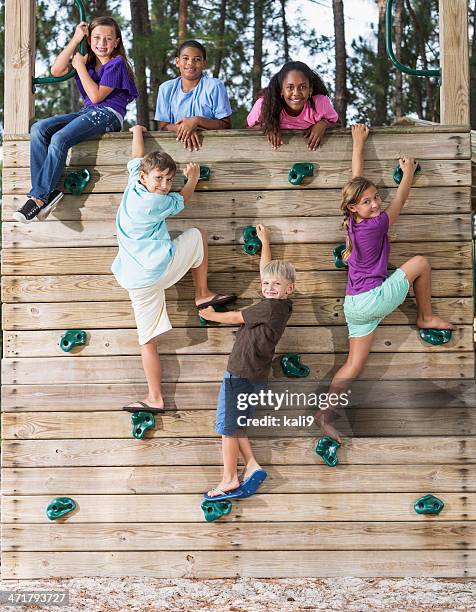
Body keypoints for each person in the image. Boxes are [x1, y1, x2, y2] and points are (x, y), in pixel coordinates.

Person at [319, 124, 456, 442]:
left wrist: (359, 143)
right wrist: (408, 172)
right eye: (368, 201)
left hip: (354, 305)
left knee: (352, 366)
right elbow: (400, 204)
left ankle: (325, 414)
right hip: (372, 298)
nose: (376, 203)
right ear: (355, 208)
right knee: (420, 263)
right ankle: (425, 315)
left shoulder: (352, 222)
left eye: (376, 197)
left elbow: (356, 182)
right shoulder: (375, 226)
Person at [112, 125, 235, 411]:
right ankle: (202, 293)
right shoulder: (155, 202)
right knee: (197, 236)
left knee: (147, 340)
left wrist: (137, 131)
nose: (165, 185)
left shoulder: (134, 183)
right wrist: (190, 179)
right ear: (145, 177)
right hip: (156, 270)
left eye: (170, 179)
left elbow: (136, 156)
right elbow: (184, 199)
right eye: (159, 178)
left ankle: (155, 397)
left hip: (136, 279)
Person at [200, 226, 295, 500]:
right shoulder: (281, 306)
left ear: (289, 289)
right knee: (237, 423)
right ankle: (252, 466)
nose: (269, 287)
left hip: (240, 373)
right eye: (266, 285)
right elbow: (268, 272)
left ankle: (229, 478)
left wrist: (211, 315)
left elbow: (235, 317)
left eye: (276, 285)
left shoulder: (269, 307)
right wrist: (266, 243)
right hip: (253, 375)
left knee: (228, 428)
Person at [15, 17, 138, 223]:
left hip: (108, 114)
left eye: (108, 39)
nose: (102, 43)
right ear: (89, 39)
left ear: (116, 42)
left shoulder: (117, 64)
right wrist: (75, 40)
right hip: (88, 112)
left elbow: (97, 96)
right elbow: (57, 70)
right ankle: (46, 193)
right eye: (97, 38)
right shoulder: (87, 62)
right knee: (39, 128)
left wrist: (79, 66)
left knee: (60, 138)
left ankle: (38, 198)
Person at [155, 39, 232, 152]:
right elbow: (164, 126)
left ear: (204, 63)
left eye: (197, 59)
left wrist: (196, 121)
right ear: (177, 62)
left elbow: (226, 125)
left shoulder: (215, 86)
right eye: (185, 58)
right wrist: (186, 128)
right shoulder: (166, 89)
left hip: (211, 149)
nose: (190, 63)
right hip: (175, 150)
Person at [247, 60, 338, 150]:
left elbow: (337, 124)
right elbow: (247, 130)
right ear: (281, 90)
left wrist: (323, 124)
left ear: (310, 90)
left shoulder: (320, 104)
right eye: (290, 87)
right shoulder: (264, 105)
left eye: (302, 87)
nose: (296, 93)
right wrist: (267, 127)